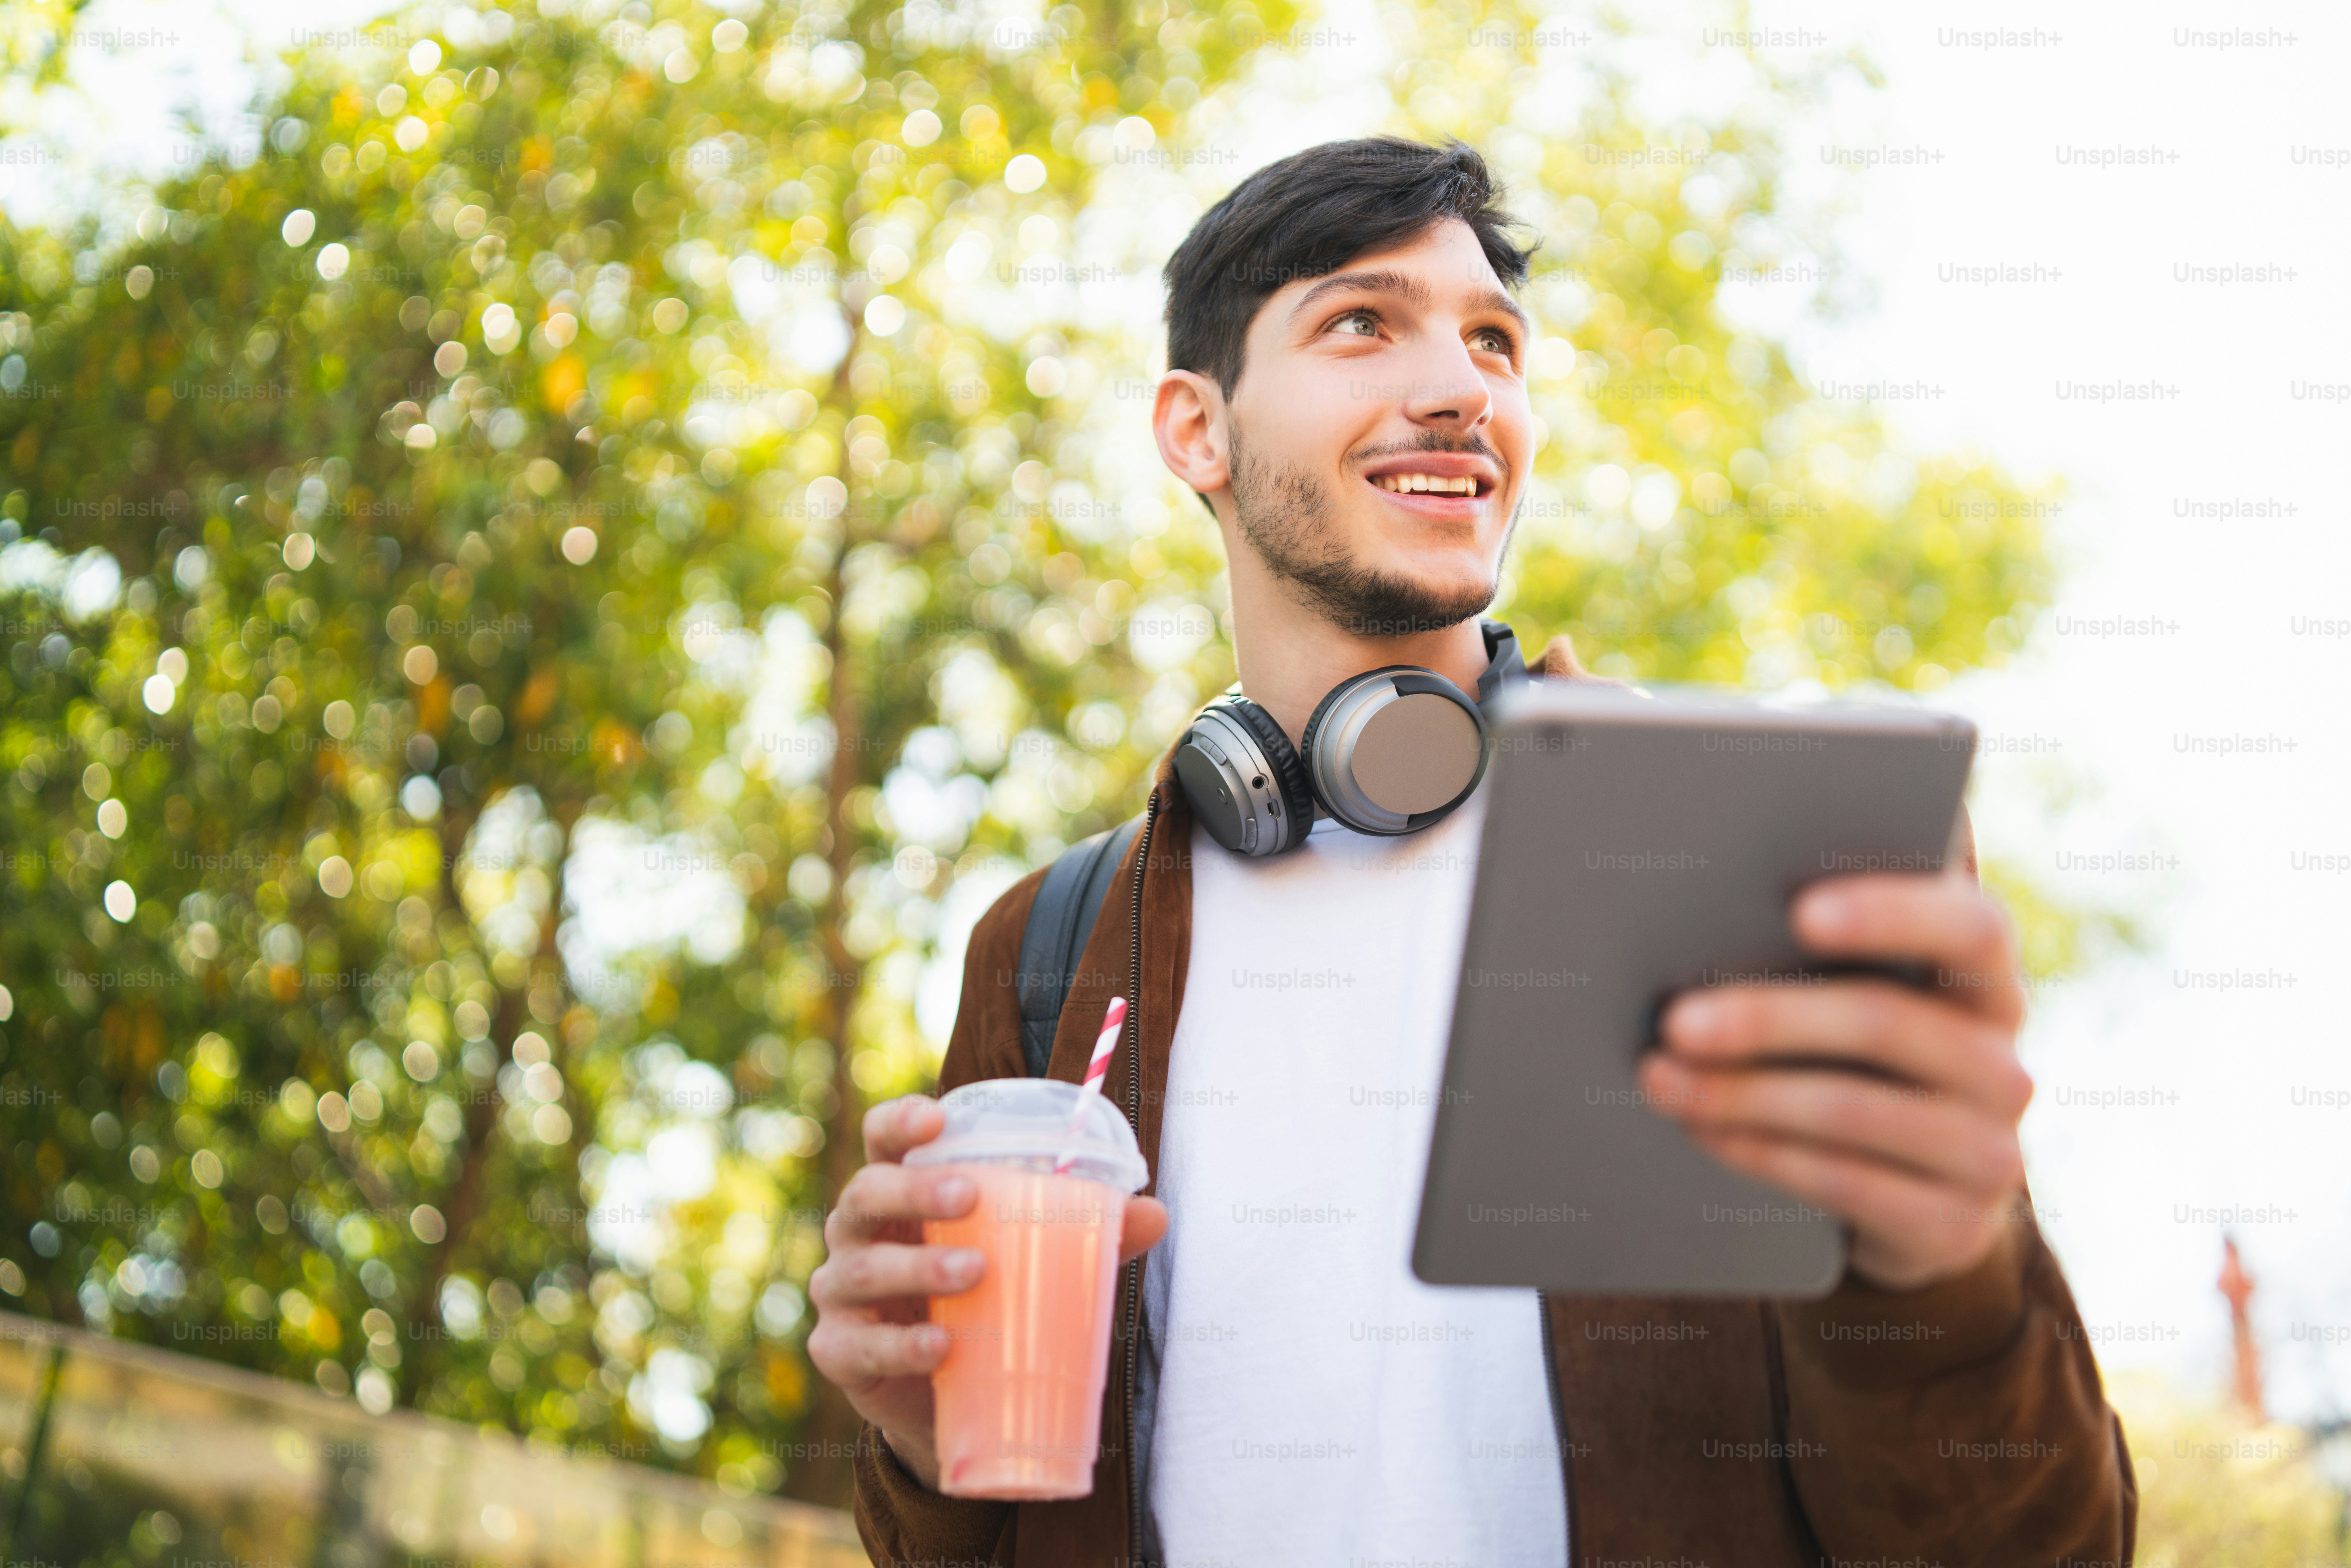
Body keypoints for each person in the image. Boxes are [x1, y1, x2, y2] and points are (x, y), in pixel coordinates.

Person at [808, 135, 2136, 1566]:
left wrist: (1947, 1278)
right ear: (1196, 431)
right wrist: (921, 1457)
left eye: (1493, 342)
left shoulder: (1747, 861)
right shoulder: (1051, 944)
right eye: (1361, 324)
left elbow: (2036, 1544)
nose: (1459, 389)